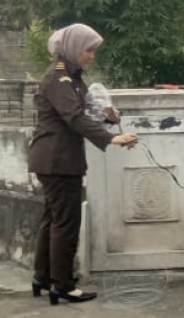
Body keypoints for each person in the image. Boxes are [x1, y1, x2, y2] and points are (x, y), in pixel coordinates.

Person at [28, 24, 139, 305]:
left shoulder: (73, 78)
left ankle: (43, 276)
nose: (91, 55)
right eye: (88, 50)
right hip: (57, 160)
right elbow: (74, 117)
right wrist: (111, 139)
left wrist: (109, 116)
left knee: (52, 219)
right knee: (66, 222)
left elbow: (88, 111)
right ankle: (63, 285)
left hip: (57, 158)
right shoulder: (59, 78)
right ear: (73, 48)